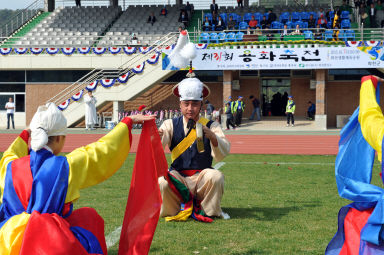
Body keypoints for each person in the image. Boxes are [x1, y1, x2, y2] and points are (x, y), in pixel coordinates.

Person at [0, 102, 155, 253]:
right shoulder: (64, 166)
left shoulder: (10, 166)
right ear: (60, 138)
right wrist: (127, 122)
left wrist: (26, 132)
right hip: (46, 242)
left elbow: (10, 153)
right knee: (89, 219)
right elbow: (101, 151)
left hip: (8, 239)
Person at [158, 74, 230, 222]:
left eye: (195, 104)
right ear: (180, 104)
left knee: (216, 176)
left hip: (202, 177)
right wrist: (156, 136)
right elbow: (159, 144)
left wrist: (212, 136)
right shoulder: (170, 124)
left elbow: (223, 151)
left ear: (201, 105)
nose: (190, 108)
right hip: (178, 176)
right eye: (186, 104)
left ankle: (209, 210)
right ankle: (173, 210)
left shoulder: (212, 125)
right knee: (162, 181)